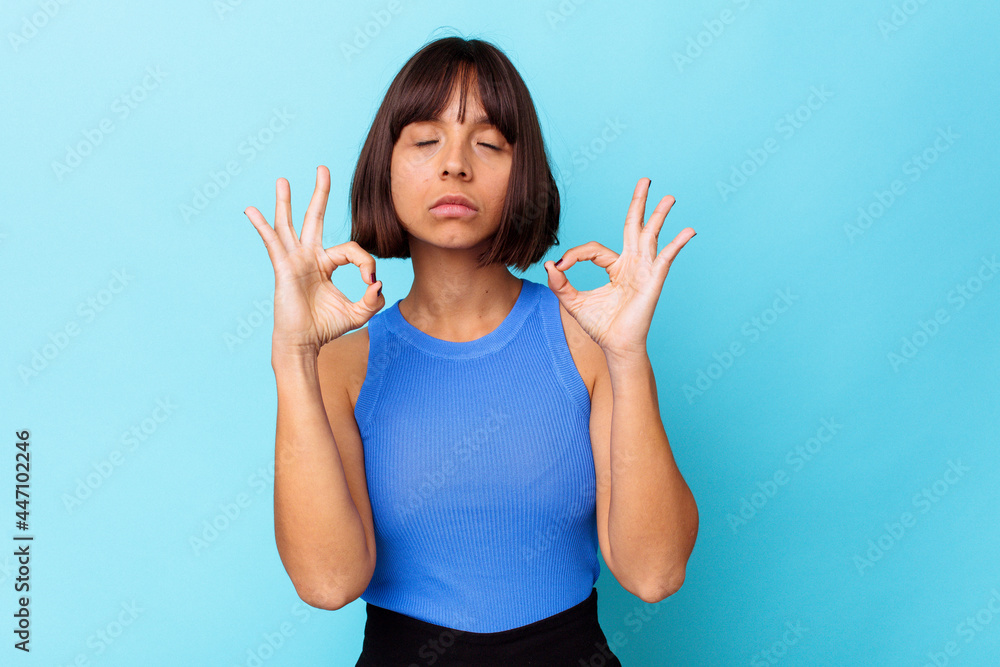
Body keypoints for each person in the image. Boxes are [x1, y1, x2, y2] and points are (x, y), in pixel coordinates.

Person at [245, 35, 699, 667]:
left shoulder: (588, 344)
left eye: (488, 143)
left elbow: (655, 574)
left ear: (525, 176)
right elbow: (328, 583)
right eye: (426, 140)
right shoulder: (342, 368)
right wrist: (292, 356)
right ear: (386, 167)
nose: (455, 164)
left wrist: (627, 357)